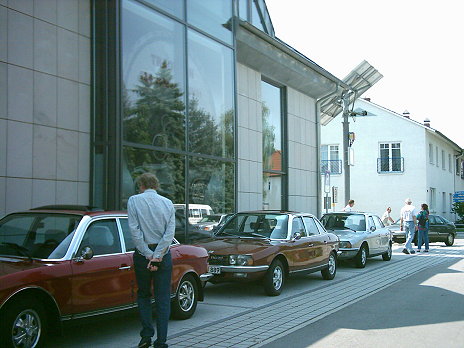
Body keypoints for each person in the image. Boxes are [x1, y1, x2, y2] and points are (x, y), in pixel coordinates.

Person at [128, 173, 175, 348]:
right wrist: (157, 256)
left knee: (144, 295)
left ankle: (146, 336)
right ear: (156, 185)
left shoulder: (134, 201)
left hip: (142, 255)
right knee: (163, 298)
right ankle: (161, 341)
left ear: (141, 185)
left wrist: (148, 254)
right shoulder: (167, 203)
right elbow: (169, 234)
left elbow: (134, 230)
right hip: (163, 255)